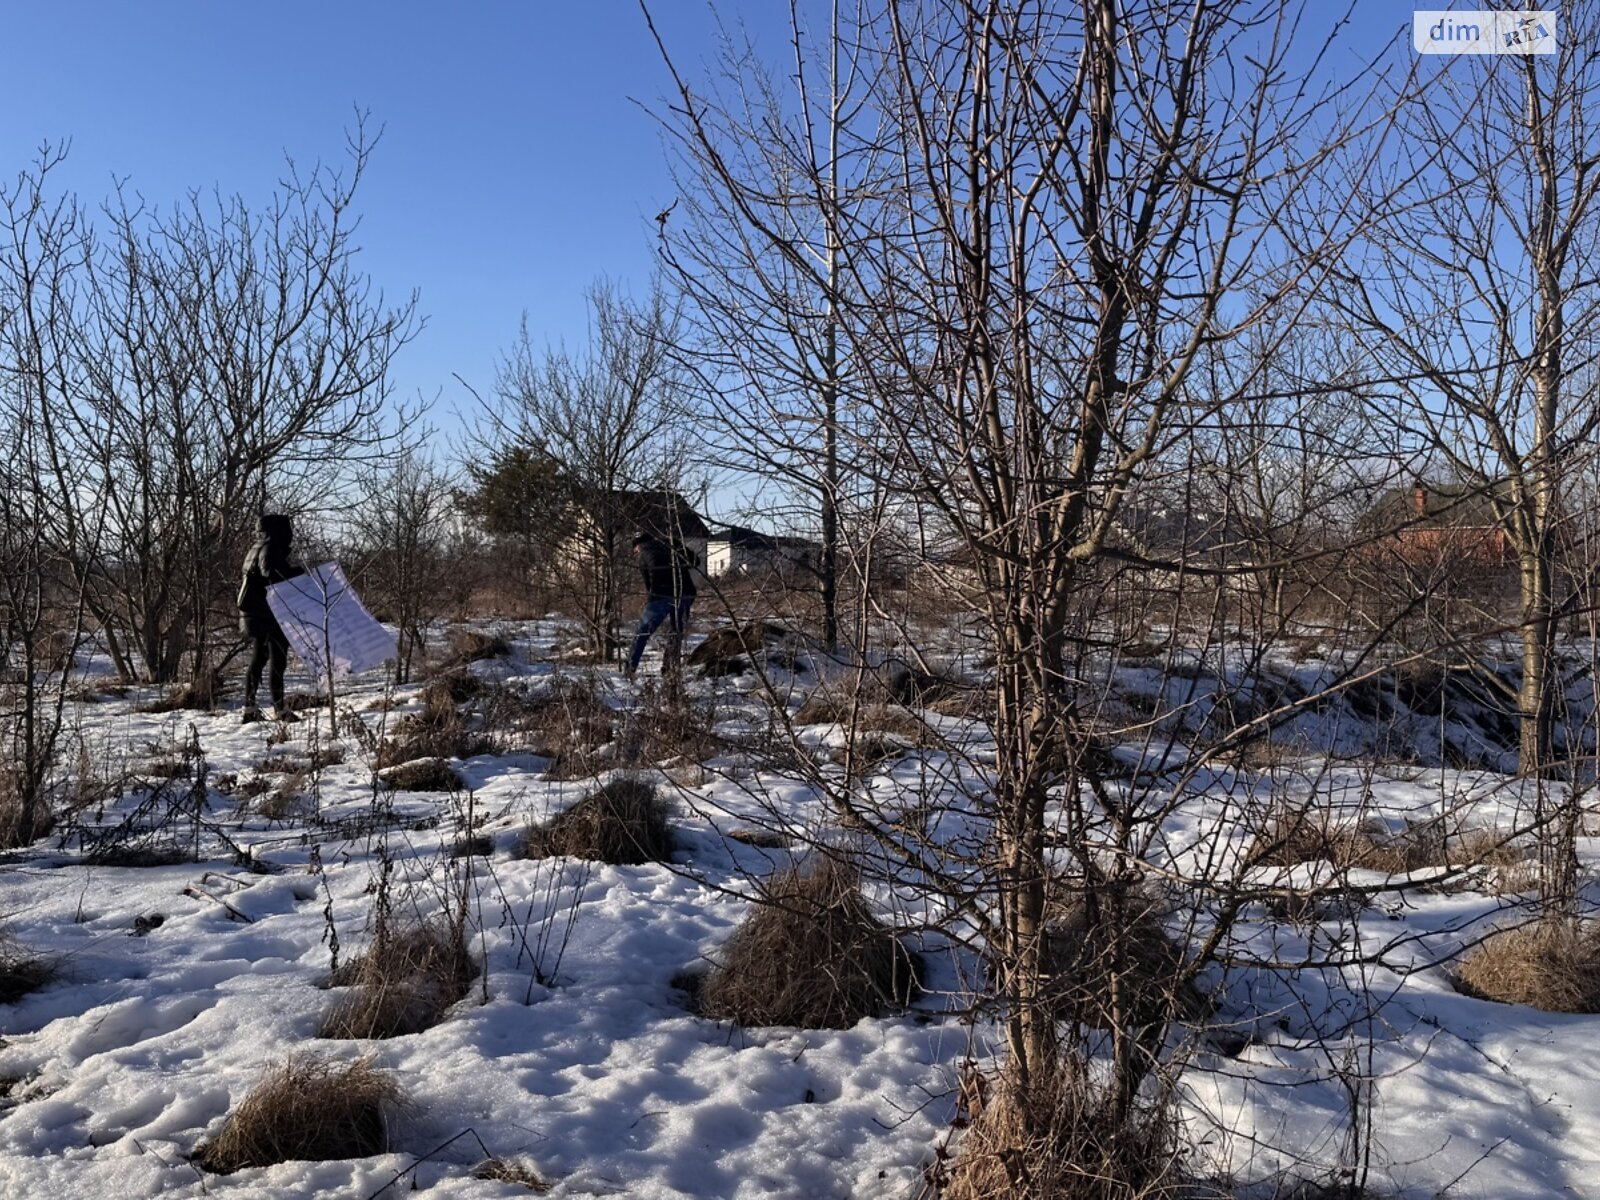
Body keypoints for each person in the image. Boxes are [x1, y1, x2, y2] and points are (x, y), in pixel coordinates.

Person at [237, 512, 303, 722]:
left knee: (258, 660)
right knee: (278, 660)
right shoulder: (270, 548)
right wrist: (298, 573)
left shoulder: (255, 547)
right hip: (269, 613)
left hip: (252, 612)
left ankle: (249, 708)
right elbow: (273, 575)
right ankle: (280, 710)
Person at [626, 529, 698, 678]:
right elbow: (695, 561)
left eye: (635, 549)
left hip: (660, 595)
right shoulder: (673, 544)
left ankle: (630, 668)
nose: (636, 552)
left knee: (643, 632)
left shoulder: (643, 555)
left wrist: (652, 598)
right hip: (685, 593)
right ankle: (669, 669)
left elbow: (648, 584)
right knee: (676, 632)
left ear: (637, 546)